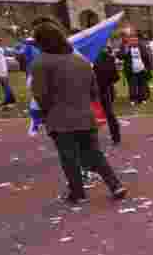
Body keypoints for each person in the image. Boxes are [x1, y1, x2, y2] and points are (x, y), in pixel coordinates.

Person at [29, 21, 127, 205]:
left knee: (68, 156)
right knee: (94, 154)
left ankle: (77, 192)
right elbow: (94, 92)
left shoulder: (41, 63)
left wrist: (44, 112)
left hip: (59, 117)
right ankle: (115, 184)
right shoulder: (81, 61)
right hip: (85, 114)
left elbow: (40, 94)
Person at [93, 45, 122, 144]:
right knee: (109, 113)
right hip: (104, 88)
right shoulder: (106, 57)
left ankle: (87, 139)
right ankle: (116, 137)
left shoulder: (82, 55)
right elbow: (115, 77)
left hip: (94, 89)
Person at [121, 33, 153, 105]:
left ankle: (142, 99)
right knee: (132, 85)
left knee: (142, 85)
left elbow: (147, 57)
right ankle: (133, 99)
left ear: (138, 41)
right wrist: (125, 50)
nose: (134, 42)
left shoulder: (142, 47)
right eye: (132, 40)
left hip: (141, 69)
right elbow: (120, 56)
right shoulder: (126, 48)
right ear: (130, 41)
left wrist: (147, 68)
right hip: (131, 71)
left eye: (135, 40)